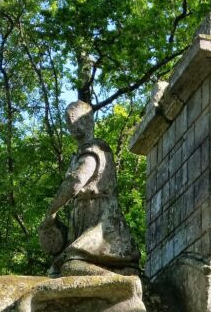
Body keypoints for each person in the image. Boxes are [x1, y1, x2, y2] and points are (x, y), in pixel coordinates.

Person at [39, 100, 139, 275]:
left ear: (89, 121)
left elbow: (76, 181)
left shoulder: (95, 149)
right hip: (83, 218)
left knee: (71, 265)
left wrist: (51, 211)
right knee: (57, 270)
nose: (73, 125)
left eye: (76, 119)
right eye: (69, 122)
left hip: (101, 221)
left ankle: (125, 284)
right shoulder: (79, 153)